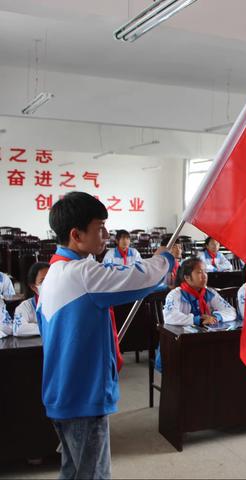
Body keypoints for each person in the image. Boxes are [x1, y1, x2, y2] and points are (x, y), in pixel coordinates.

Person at [37, 192, 175, 479]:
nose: (106, 234)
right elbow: (138, 278)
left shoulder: (53, 274)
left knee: (74, 471)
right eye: (100, 228)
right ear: (76, 234)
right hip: (83, 396)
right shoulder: (82, 273)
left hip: (62, 393)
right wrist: (165, 261)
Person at [163, 257, 237, 326]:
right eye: (199, 272)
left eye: (205, 272)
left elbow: (231, 311)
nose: (204, 276)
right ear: (187, 277)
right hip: (183, 337)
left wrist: (216, 317)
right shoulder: (175, 294)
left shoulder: (210, 293)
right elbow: (170, 316)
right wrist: (198, 320)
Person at [12, 262, 50, 337]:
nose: (49, 283)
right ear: (34, 287)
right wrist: (53, 328)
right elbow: (19, 329)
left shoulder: (63, 303)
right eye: (43, 281)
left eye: (51, 278)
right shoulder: (25, 307)